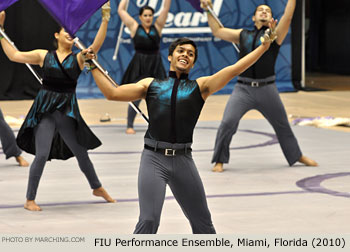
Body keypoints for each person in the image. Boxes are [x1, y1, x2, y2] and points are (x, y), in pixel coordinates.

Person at [85, 24, 275, 232]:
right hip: (153, 159)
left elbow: (235, 69)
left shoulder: (200, 87)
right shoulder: (151, 85)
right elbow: (112, 93)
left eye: (191, 54)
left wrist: (263, 48)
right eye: (181, 51)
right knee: (149, 220)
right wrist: (92, 66)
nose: (186, 55)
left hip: (184, 161)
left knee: (203, 223)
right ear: (170, 57)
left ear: (193, 63)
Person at [0, 2, 115, 211]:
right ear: (56, 35)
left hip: (67, 111)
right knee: (42, 154)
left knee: (81, 153)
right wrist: (0, 33)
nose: (70, 34)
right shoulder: (43, 56)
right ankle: (29, 199)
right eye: (65, 31)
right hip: (46, 111)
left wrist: (105, 16)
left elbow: (96, 45)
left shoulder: (79, 58)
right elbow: (14, 56)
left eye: (72, 32)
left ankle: (97, 187)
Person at [200, 0, 318, 172]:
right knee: (227, 123)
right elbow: (217, 31)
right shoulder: (242, 34)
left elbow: (288, 16)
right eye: (260, 10)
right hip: (243, 89)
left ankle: (296, 155)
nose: (264, 12)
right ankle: (219, 160)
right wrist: (208, 11)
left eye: (267, 11)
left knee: (282, 125)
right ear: (253, 17)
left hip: (267, 89)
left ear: (271, 17)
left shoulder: (275, 34)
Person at [117, 0, 171, 134]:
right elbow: (121, 11)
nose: (148, 18)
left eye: (150, 15)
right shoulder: (134, 27)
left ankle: (159, 125)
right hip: (139, 65)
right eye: (145, 15)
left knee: (159, 97)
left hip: (155, 65)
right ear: (140, 17)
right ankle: (130, 125)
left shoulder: (157, 27)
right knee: (135, 96)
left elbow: (165, 8)